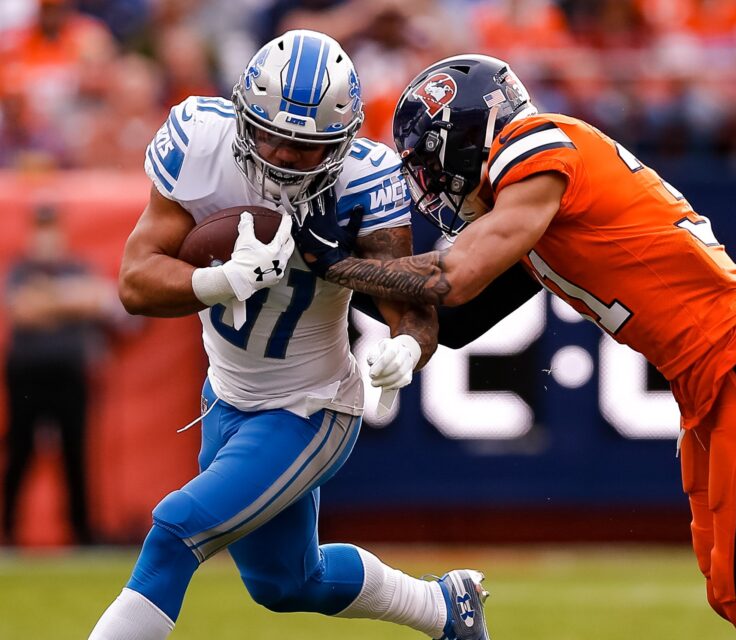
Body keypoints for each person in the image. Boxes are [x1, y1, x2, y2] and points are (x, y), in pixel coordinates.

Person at [295, 54, 736, 639]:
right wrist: (329, 278)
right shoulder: (533, 197)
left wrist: (328, 261)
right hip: (713, 378)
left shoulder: (537, 150)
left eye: (429, 158)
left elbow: (452, 277)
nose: (428, 181)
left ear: (469, 132)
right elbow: (453, 323)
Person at [88, 31, 490, 640]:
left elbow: (410, 304)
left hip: (310, 407)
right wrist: (221, 279)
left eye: (304, 147)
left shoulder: (364, 179)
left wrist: (405, 348)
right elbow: (136, 282)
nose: (279, 155)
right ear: (242, 113)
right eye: (269, 133)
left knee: (175, 529)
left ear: (341, 140)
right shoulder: (200, 136)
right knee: (286, 583)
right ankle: (446, 609)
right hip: (225, 399)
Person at [3, 205, 120, 546]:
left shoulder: (77, 266)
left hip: (70, 373)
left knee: (76, 452)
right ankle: (9, 531)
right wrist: (69, 300)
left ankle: (81, 532)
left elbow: (99, 301)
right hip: (26, 373)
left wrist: (48, 297)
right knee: (20, 451)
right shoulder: (20, 269)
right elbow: (22, 311)